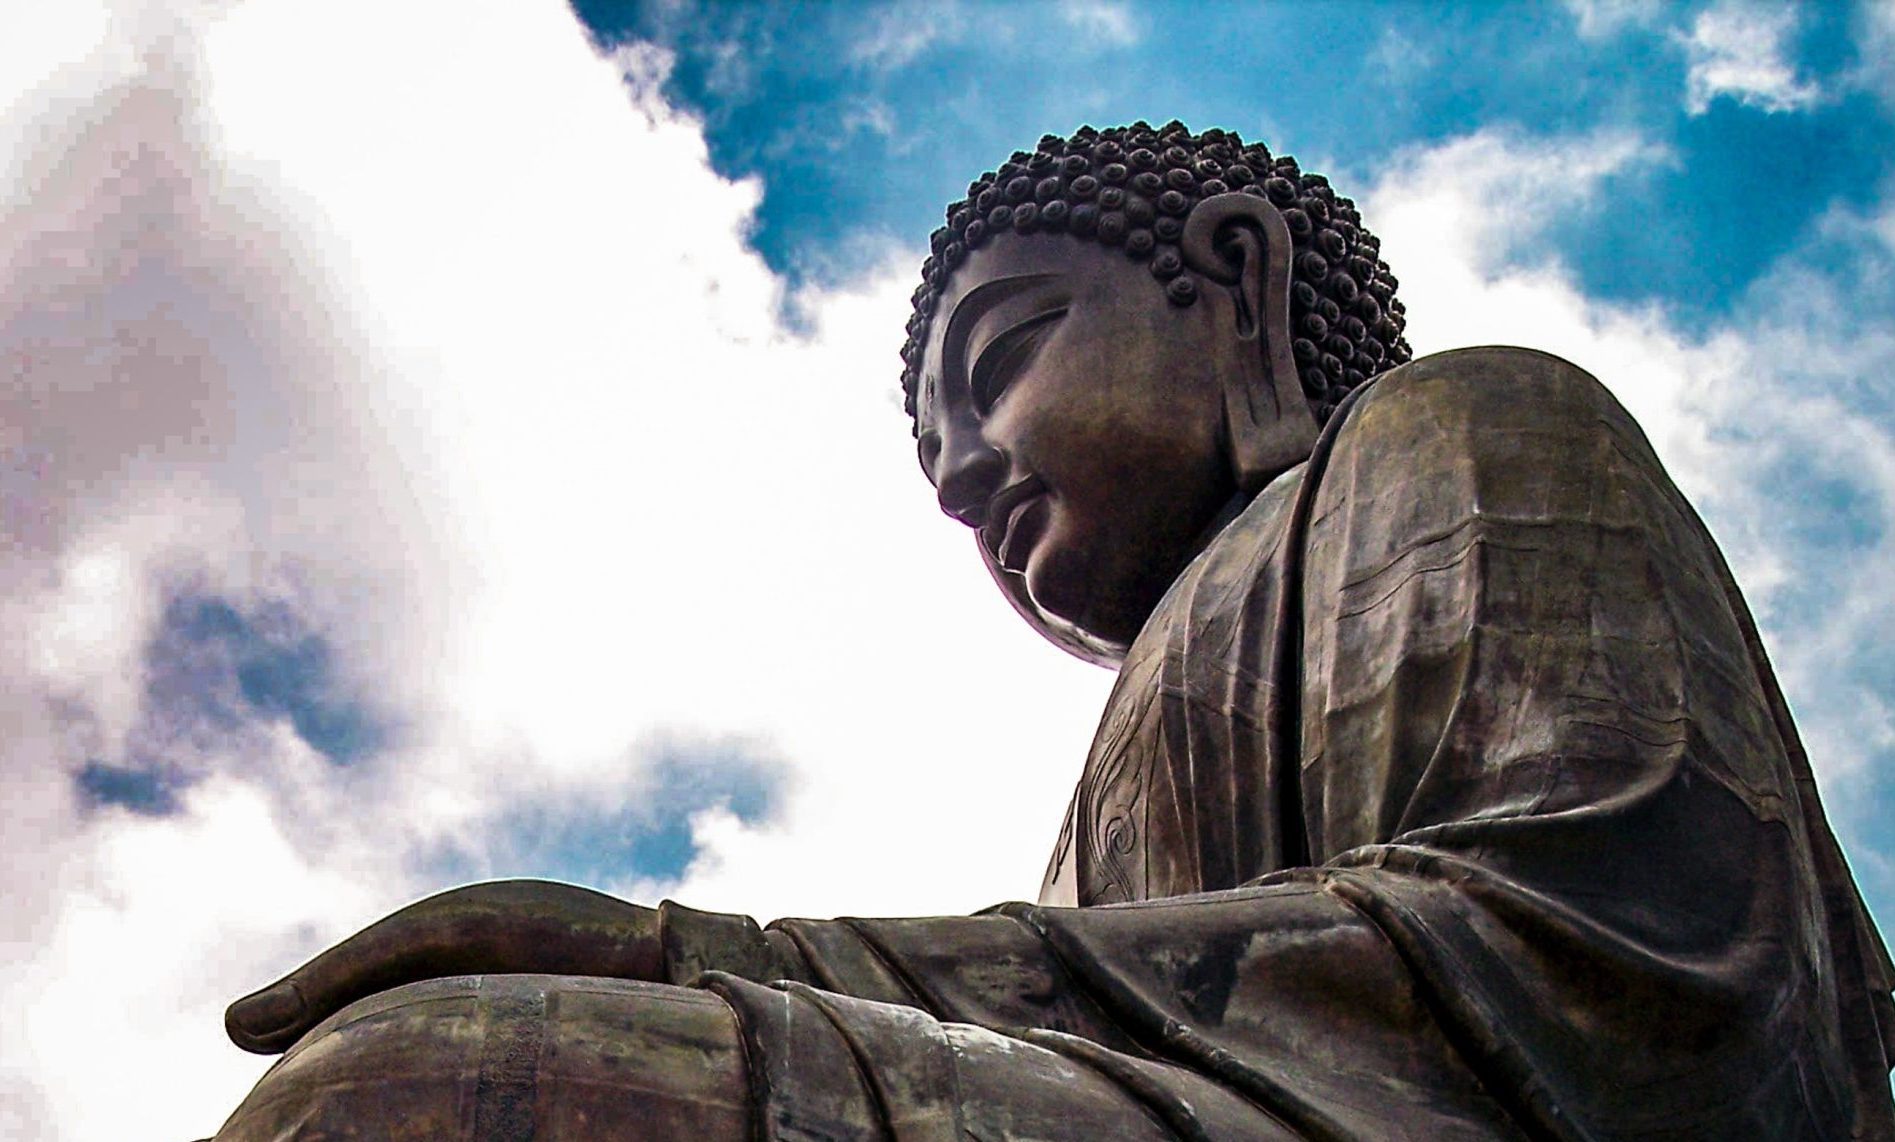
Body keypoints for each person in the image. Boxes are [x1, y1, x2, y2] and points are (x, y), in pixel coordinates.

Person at [211, 122, 1895, 1140]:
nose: (961, 474)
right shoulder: (1114, 769)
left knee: (409, 1098)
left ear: (1229, 282)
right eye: (935, 459)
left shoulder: (1469, 433)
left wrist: (718, 958)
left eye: (1001, 359)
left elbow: (1634, 967)